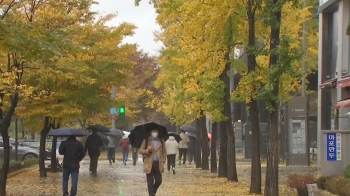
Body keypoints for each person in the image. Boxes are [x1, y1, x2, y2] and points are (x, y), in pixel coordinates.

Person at [139, 129, 167, 196]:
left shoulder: (161, 140)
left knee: (159, 181)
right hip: (149, 163)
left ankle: (153, 192)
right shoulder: (146, 140)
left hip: (158, 163)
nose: (155, 133)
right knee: (150, 182)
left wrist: (163, 160)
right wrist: (147, 150)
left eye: (156, 131)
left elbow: (164, 152)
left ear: (158, 132)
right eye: (153, 132)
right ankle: (151, 194)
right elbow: (140, 151)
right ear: (151, 132)